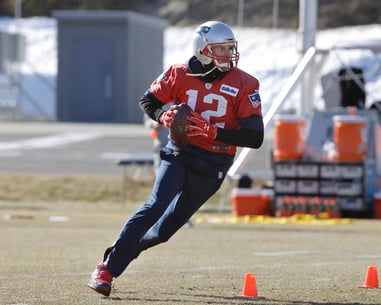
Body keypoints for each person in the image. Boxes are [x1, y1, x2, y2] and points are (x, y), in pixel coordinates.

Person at [87, 20, 264, 297]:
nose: (228, 54)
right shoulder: (179, 73)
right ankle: (106, 270)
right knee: (155, 206)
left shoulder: (245, 83)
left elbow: (255, 137)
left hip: (214, 163)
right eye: (221, 48)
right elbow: (148, 101)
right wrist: (163, 116)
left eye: (230, 48)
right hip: (181, 153)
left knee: (163, 231)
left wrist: (213, 131)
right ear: (203, 50)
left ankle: (120, 253)